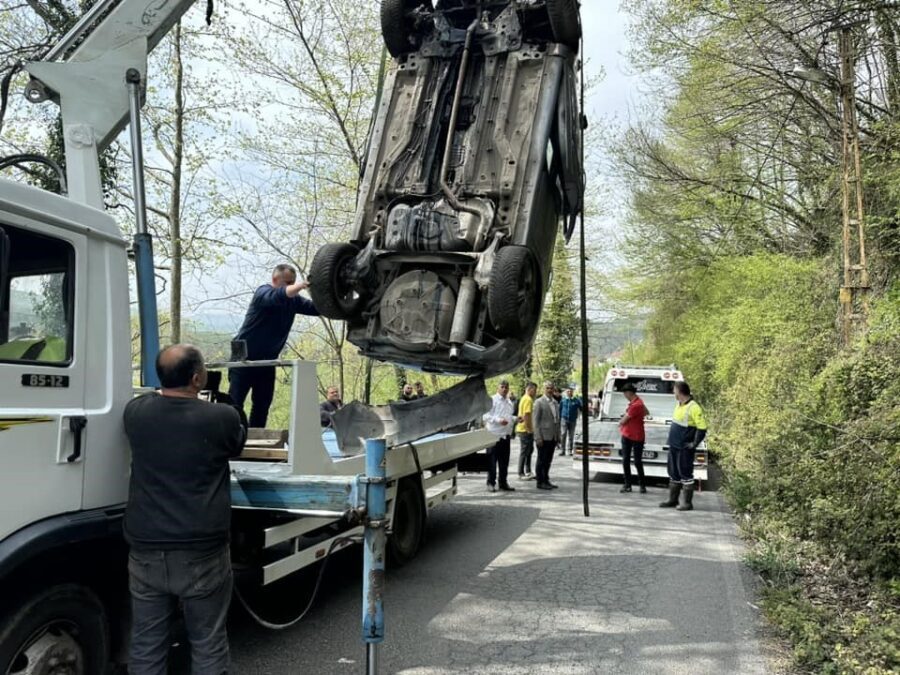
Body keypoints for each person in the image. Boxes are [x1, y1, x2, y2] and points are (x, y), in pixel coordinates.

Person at [123, 345, 247, 674]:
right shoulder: (220, 417)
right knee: (207, 642)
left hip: (145, 547)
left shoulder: (135, 413)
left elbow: (154, 403)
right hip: (202, 549)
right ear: (197, 378)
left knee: (146, 642)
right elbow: (238, 441)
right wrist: (226, 400)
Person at [228, 264, 319, 428]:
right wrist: (302, 285)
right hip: (243, 355)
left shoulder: (294, 301)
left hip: (267, 359)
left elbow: (317, 308)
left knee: (262, 404)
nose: (291, 286)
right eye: (287, 283)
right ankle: (232, 438)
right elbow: (277, 296)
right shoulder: (263, 292)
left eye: (293, 282)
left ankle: (256, 439)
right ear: (275, 280)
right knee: (235, 403)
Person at [660, 381, 708, 511]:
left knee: (685, 474)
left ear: (680, 392)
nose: (673, 393)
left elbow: (702, 428)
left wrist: (694, 444)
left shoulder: (694, 407)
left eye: (674, 391)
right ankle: (672, 499)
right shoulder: (679, 404)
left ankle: (687, 503)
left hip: (684, 448)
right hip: (674, 446)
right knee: (673, 473)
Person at [482, 380, 517, 493]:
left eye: (506, 387)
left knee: (504, 462)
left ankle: (503, 482)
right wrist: (498, 420)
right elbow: (485, 416)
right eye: (502, 387)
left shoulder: (509, 402)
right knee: (492, 461)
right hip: (493, 435)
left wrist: (516, 419)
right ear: (498, 388)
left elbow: (509, 417)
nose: (504, 389)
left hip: (505, 436)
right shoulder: (492, 400)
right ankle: (490, 483)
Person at [618, 382, 648, 493]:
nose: (625, 397)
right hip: (638, 435)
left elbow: (623, 421)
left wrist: (620, 422)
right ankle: (642, 486)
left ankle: (628, 485)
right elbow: (646, 412)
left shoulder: (635, 405)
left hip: (629, 435)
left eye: (625, 394)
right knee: (637, 461)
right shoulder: (639, 402)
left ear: (629, 393)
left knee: (626, 460)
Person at [533, 381, 561, 490]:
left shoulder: (555, 403)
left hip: (552, 436)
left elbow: (556, 420)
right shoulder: (539, 402)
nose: (550, 390)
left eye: (551, 388)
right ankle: (540, 481)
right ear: (544, 389)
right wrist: (538, 437)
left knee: (548, 460)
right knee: (541, 459)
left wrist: (558, 436)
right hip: (543, 437)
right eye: (548, 388)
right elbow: (535, 421)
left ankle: (546, 479)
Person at [516, 382, 537, 480]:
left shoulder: (523, 398)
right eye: (535, 390)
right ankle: (521, 473)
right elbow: (527, 415)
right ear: (530, 389)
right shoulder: (528, 399)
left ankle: (528, 470)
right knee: (524, 451)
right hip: (525, 430)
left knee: (529, 450)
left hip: (523, 429)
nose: (535, 392)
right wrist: (529, 429)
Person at [558, 386, 582, 456]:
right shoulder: (563, 400)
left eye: (570, 391)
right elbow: (560, 409)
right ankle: (562, 450)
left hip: (572, 420)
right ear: (566, 392)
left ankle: (570, 450)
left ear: (572, 392)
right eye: (568, 391)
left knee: (571, 436)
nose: (569, 392)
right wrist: (559, 419)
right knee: (563, 434)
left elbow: (581, 408)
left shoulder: (576, 400)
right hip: (564, 419)